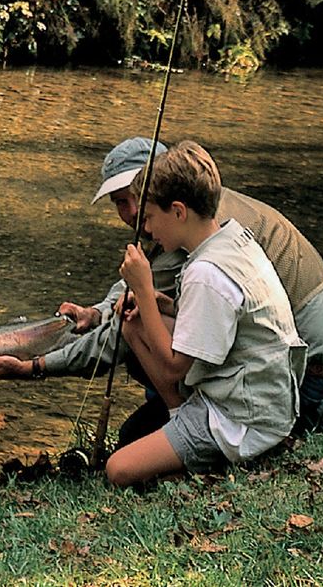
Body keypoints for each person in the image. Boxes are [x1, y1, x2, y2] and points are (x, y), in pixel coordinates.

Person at [0, 136, 323, 440]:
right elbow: (135, 290)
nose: (129, 213)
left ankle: (299, 416)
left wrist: (34, 367)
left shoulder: (198, 239)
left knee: (135, 421)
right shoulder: (199, 205)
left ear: (165, 195)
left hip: (303, 369)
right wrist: (97, 312)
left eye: (133, 198)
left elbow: (120, 334)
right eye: (119, 203)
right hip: (301, 354)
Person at [105, 141, 307, 485]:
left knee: (118, 469)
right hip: (264, 398)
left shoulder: (206, 272)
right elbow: (219, 316)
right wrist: (160, 304)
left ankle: (198, 453)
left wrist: (142, 288)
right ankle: (179, 421)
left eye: (150, 217)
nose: (147, 229)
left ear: (179, 211)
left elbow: (172, 367)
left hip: (240, 419)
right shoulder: (231, 238)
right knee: (134, 324)